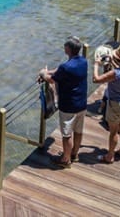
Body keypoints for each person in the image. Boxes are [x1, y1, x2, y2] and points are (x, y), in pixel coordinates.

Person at [38, 36, 88, 169]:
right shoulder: (83, 61)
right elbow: (59, 71)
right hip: (82, 103)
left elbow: (52, 79)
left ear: (69, 49)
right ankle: (74, 155)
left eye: (65, 46)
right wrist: (48, 72)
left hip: (68, 106)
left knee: (66, 135)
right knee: (78, 131)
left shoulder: (66, 67)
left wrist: (43, 74)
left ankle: (65, 160)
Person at [92, 44, 120, 164]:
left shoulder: (115, 73)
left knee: (113, 131)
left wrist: (96, 65)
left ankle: (109, 156)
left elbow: (96, 79)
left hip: (115, 104)